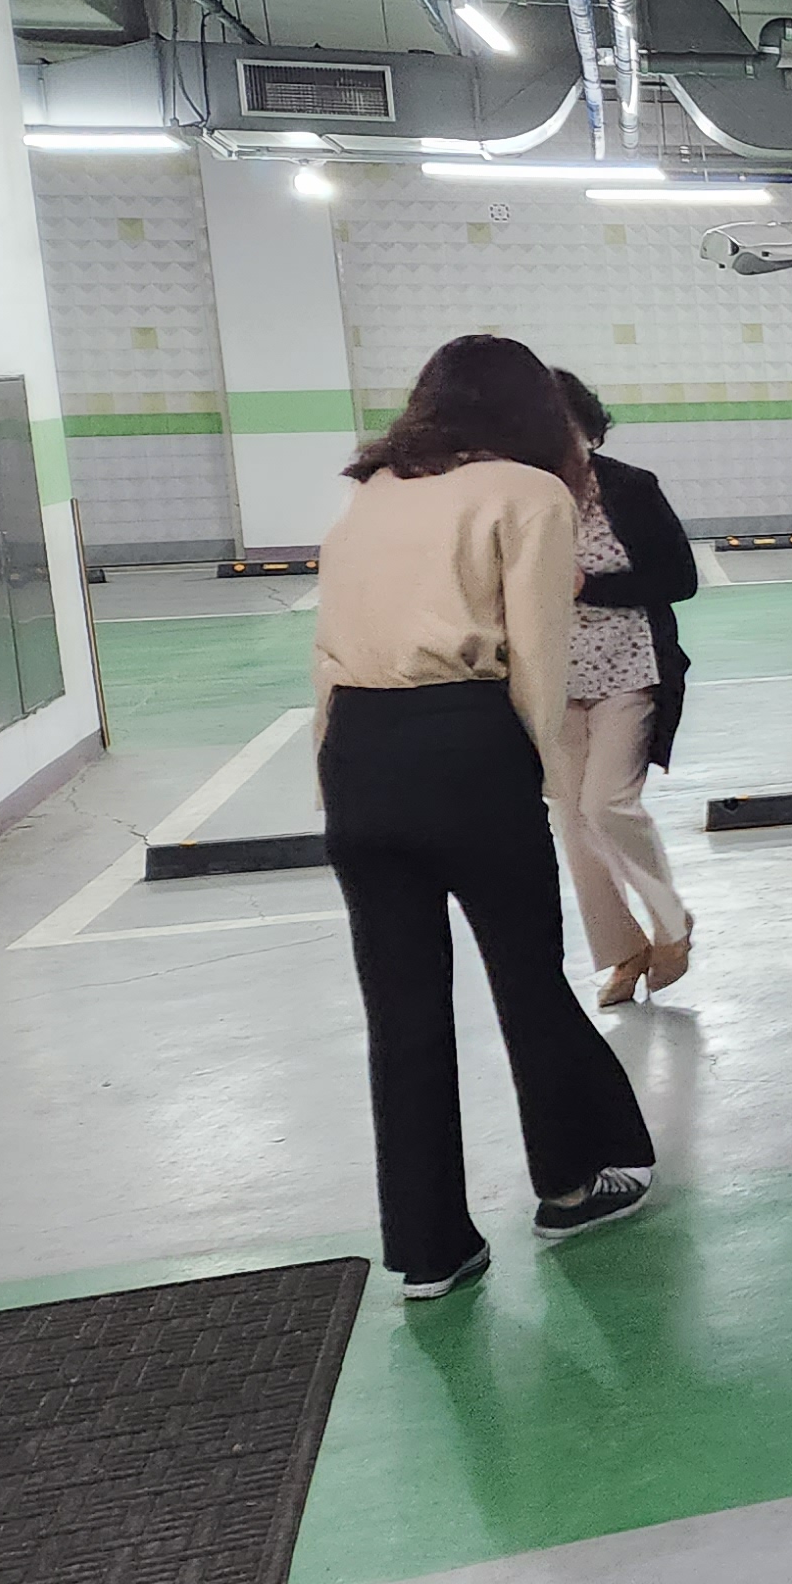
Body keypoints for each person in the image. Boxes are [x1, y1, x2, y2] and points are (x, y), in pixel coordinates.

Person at [313, 335, 659, 1300]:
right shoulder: (529, 492)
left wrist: (332, 780)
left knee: (400, 1013)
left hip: (357, 749)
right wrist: (544, 776)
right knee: (525, 976)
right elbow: (539, 660)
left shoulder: (372, 492)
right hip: (468, 743)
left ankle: (429, 1251)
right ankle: (570, 1182)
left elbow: (327, 652)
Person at [547, 371, 698, 1007]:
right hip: (550, 679)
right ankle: (622, 951)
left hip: (629, 670)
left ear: (587, 426)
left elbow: (680, 579)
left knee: (607, 804)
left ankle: (670, 922)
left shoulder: (630, 487)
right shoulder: (519, 496)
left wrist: (591, 587)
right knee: (570, 818)